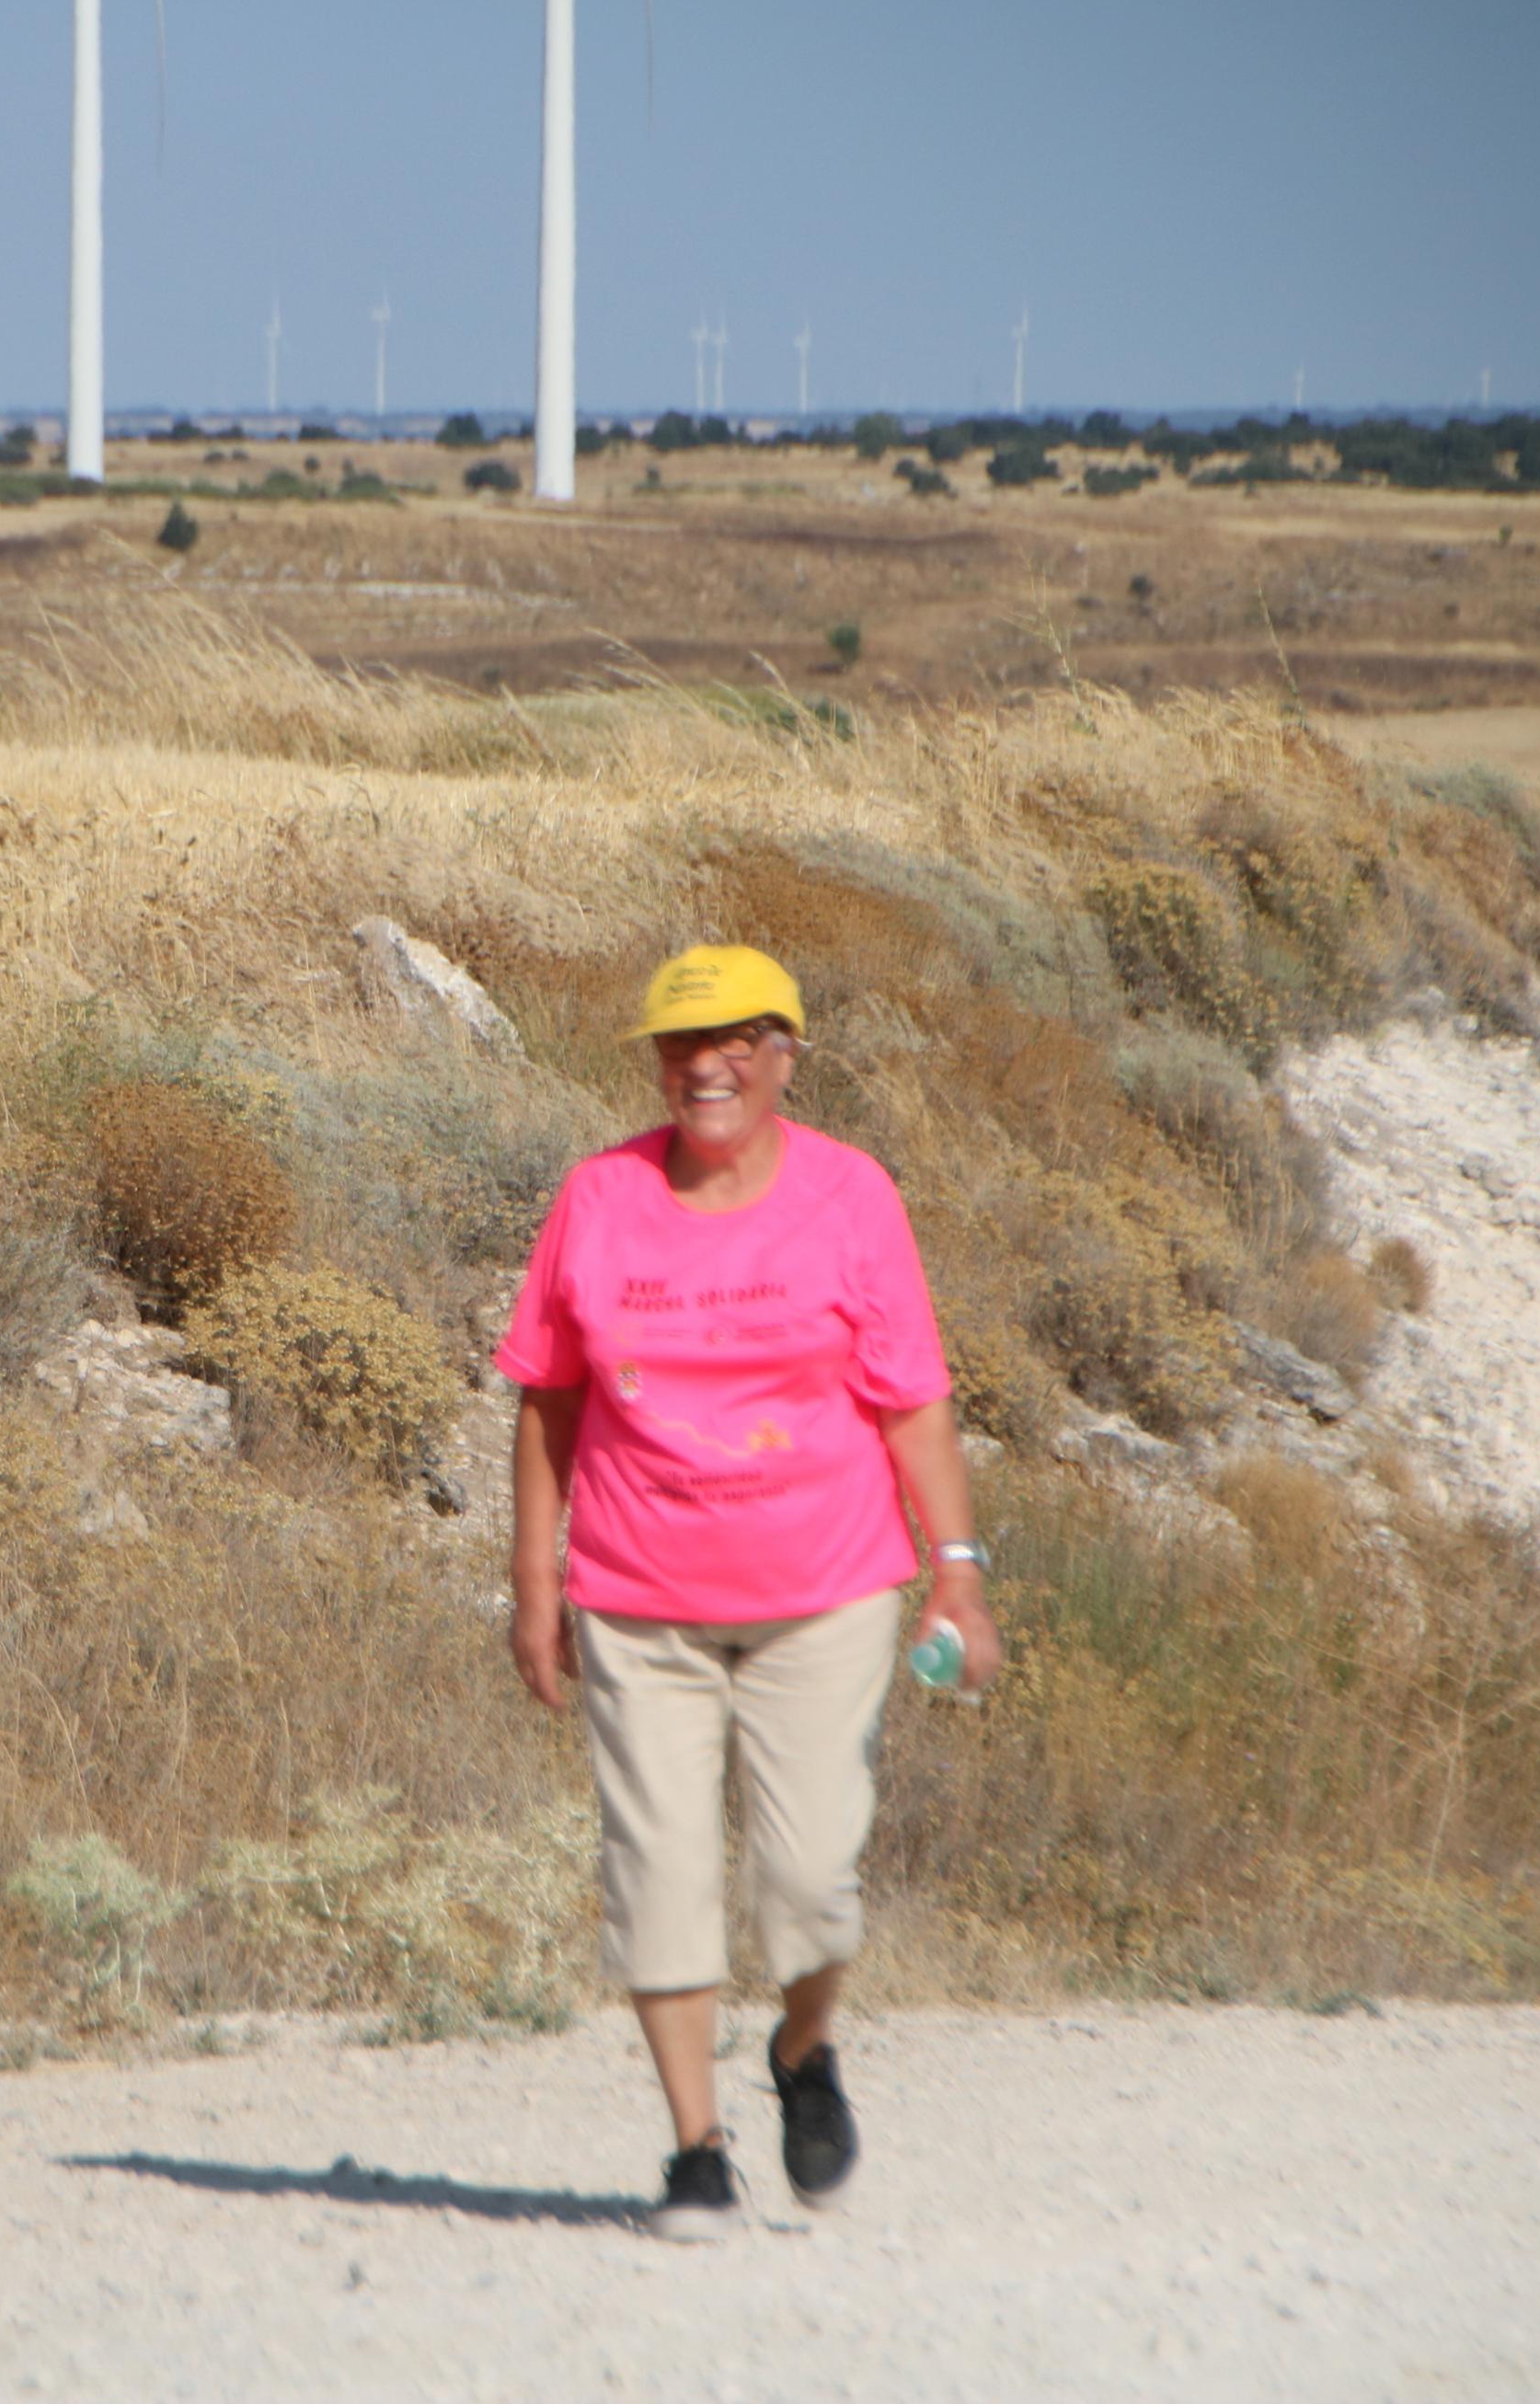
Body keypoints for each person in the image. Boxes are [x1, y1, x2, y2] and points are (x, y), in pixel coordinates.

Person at [493, 943, 1003, 2241]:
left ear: (785, 1053)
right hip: (635, 1590)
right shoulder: (597, 1199)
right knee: (656, 1871)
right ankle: (696, 2151)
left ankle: (802, 2051)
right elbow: (550, 1401)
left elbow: (915, 1404)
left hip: (824, 1590)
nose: (704, 1064)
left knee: (809, 1880)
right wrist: (533, 1580)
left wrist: (958, 1571)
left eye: (734, 1039)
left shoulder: (850, 1196)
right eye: (679, 1044)